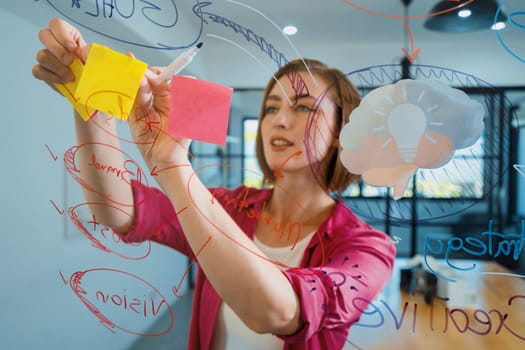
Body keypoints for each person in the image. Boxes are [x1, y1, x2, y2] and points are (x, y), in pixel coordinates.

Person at [33, 18, 396, 350]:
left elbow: (276, 313)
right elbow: (118, 210)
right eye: (270, 108)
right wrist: (92, 103)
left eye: (302, 107)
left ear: (341, 132)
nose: (279, 121)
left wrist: (173, 164)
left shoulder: (367, 249)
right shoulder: (228, 208)